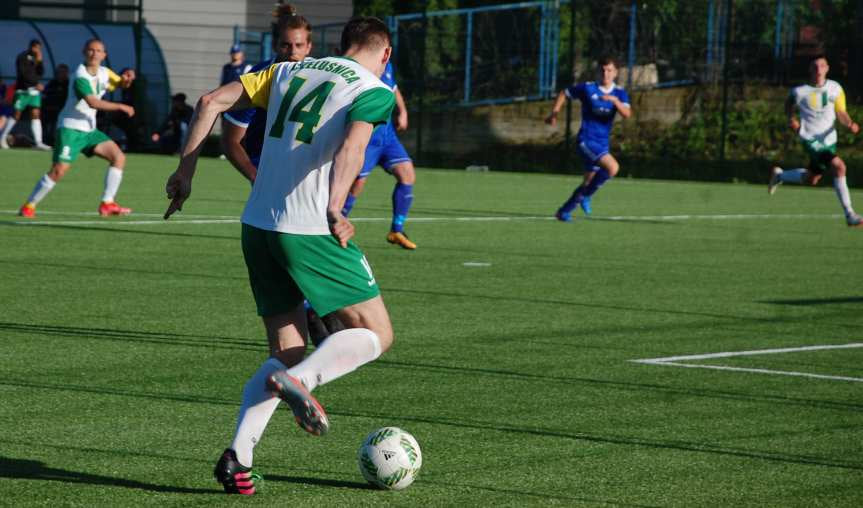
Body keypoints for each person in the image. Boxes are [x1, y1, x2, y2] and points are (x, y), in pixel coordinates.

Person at [163, 16, 397, 495]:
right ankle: (302, 380)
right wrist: (336, 205)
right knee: (376, 333)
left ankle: (237, 459)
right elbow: (355, 146)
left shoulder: (289, 70)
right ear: (385, 52)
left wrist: (186, 172)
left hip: (257, 226)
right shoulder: (375, 89)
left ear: (339, 44)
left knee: (285, 348)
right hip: (308, 228)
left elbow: (210, 102)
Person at [17, 39, 136, 218]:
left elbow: (120, 84)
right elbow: (92, 102)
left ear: (104, 55)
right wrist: (120, 106)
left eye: (98, 51)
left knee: (118, 157)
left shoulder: (105, 72)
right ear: (84, 52)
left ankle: (107, 203)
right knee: (58, 171)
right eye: (90, 50)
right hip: (70, 129)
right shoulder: (80, 75)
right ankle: (29, 206)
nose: (94, 54)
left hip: (89, 130)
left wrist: (127, 79)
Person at [768, 55, 862, 227]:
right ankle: (850, 214)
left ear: (827, 68)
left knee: (812, 179)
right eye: (815, 66)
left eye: (822, 66)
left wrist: (849, 124)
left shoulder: (835, 88)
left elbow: (841, 111)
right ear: (810, 70)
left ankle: (780, 175)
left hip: (828, 140)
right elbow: (788, 106)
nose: (819, 70)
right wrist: (791, 120)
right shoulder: (799, 91)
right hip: (809, 137)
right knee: (839, 166)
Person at [340, 61, 418, 249]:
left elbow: (394, 88)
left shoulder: (386, 64)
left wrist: (403, 111)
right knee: (356, 183)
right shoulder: (357, 66)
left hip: (388, 135)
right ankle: (335, 224)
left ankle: (396, 230)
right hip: (367, 135)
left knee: (407, 173)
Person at [545, 57, 632, 222]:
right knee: (613, 168)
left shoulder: (620, 93)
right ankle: (586, 197)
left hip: (602, 143)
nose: (605, 74)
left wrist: (615, 101)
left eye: (609, 70)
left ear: (616, 73)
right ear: (598, 71)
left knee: (589, 181)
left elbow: (627, 114)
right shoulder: (588, 88)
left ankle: (563, 212)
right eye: (602, 70)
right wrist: (554, 112)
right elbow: (565, 93)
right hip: (586, 140)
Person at [0, 39, 50, 150]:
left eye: (39, 49)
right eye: (36, 48)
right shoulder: (22, 57)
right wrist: (35, 84)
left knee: (36, 114)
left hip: (34, 93)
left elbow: (40, 73)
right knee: (16, 114)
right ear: (31, 47)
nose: (37, 51)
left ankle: (38, 142)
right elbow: (23, 74)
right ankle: (2, 137)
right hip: (23, 91)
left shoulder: (37, 58)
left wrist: (40, 61)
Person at [42, 64, 70, 144]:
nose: (60, 74)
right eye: (59, 72)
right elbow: (45, 92)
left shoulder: (69, 83)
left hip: (62, 109)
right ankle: (46, 139)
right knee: (43, 119)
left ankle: (55, 139)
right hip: (49, 108)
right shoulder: (53, 82)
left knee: (56, 121)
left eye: (63, 72)